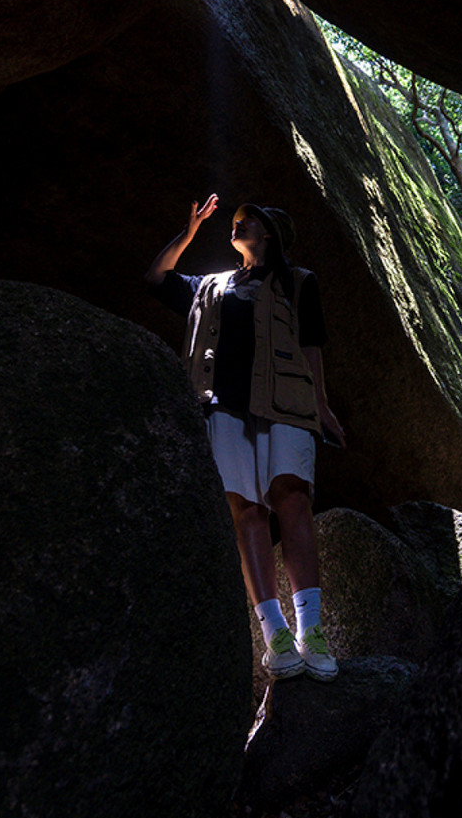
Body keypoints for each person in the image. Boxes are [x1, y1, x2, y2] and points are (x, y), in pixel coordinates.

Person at [145, 193, 345, 681]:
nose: (236, 225)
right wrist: (188, 234)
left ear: (269, 232)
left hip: (286, 403)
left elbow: (310, 345)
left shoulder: (298, 283)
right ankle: (275, 633)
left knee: (292, 498)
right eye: (234, 223)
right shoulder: (209, 285)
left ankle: (311, 628)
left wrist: (320, 404)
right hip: (222, 405)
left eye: (246, 220)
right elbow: (156, 279)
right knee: (246, 510)